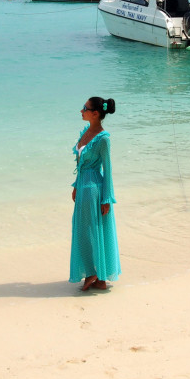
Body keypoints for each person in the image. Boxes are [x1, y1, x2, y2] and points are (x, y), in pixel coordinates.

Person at [70, 96, 121, 291]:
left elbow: (108, 169)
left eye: (85, 108)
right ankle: (99, 279)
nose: (81, 111)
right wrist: (76, 185)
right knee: (83, 230)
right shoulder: (85, 132)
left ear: (95, 113)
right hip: (83, 187)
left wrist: (107, 198)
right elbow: (80, 164)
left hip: (94, 189)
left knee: (92, 230)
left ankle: (94, 273)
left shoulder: (103, 138)